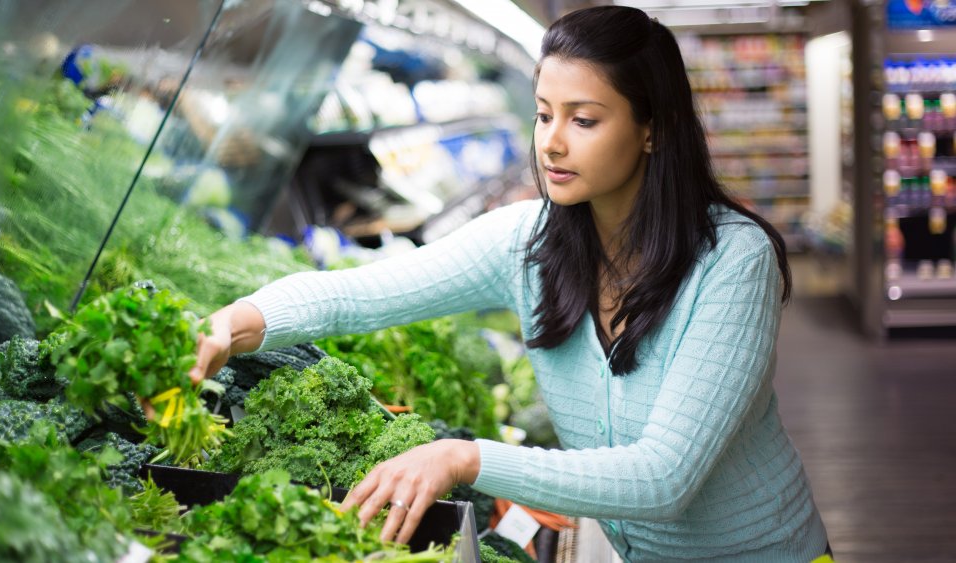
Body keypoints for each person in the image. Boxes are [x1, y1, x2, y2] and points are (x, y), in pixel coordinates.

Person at [190, 6, 829, 561]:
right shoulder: (530, 241)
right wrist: (239, 320)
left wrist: (467, 458)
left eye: (584, 120)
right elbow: (359, 292)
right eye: (543, 114)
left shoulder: (733, 261)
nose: (551, 143)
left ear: (651, 128)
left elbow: (663, 480)